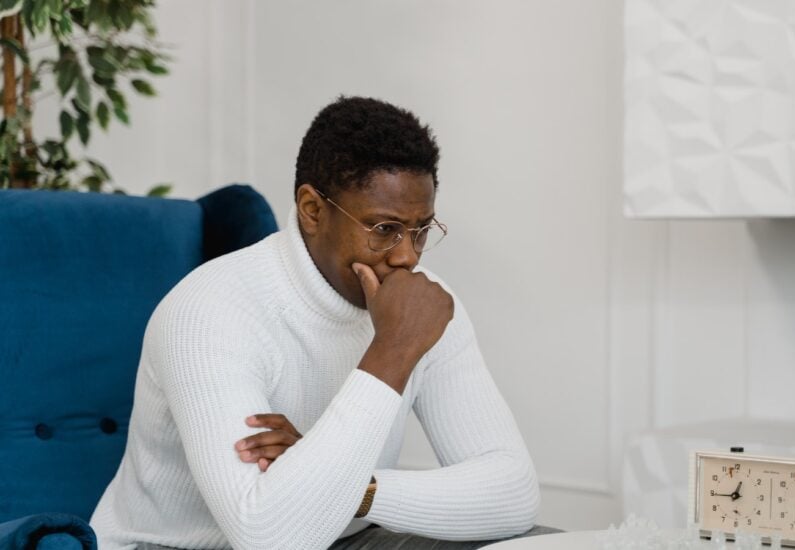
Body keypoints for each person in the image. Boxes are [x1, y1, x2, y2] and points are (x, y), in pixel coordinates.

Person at [90, 96, 558, 549]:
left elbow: (513, 494)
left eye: (421, 230)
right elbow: (268, 536)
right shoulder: (210, 310)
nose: (407, 256)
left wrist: (356, 490)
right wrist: (392, 351)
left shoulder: (424, 304)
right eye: (384, 229)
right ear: (312, 210)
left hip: (342, 534)